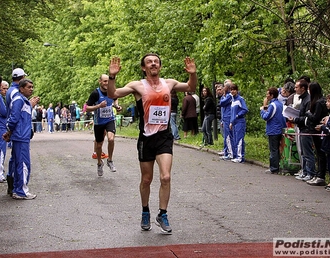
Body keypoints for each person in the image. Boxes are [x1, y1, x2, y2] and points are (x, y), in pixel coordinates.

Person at [107, 54, 197, 234]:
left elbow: (190, 87)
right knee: (147, 179)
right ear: (144, 67)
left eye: (156, 61)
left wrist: (192, 74)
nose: (153, 63)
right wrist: (112, 77)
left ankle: (162, 214)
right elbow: (113, 94)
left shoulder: (169, 83)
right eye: (149, 62)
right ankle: (145, 210)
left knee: (165, 177)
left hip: (164, 136)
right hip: (146, 138)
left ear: (160, 67)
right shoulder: (137, 86)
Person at [3, 79, 38, 199]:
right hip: (21, 136)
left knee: (19, 163)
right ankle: (21, 191)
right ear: (21, 88)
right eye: (29, 87)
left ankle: (17, 189)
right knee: (23, 164)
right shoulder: (19, 100)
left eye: (32, 87)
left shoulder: (23, 101)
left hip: (21, 135)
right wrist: (10, 131)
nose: (31, 89)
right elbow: (13, 119)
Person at [86, 74, 121, 176]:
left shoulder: (112, 90)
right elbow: (86, 108)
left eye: (108, 81)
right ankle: (99, 163)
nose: (107, 83)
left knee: (111, 139)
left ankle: (110, 160)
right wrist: (98, 106)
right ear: (100, 81)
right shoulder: (95, 93)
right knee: (99, 145)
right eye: (105, 81)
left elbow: (115, 98)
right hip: (99, 123)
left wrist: (116, 105)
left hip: (109, 120)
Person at [289, 78, 316, 181]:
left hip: (306, 129)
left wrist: (296, 119)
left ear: (303, 88)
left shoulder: (307, 100)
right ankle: (305, 171)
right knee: (303, 152)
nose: (295, 89)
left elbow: (306, 117)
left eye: (297, 87)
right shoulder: (302, 99)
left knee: (307, 152)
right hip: (301, 127)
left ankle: (310, 172)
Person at [5, 68, 27, 195]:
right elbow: (17, 111)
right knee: (19, 159)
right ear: (22, 78)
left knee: (15, 158)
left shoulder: (10, 91)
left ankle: (13, 184)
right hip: (18, 130)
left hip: (15, 128)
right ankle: (16, 186)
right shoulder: (16, 93)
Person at [305, 82, 328, 186]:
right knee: (319, 153)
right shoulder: (321, 101)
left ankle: (320, 175)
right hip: (316, 130)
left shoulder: (319, 102)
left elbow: (315, 118)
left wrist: (308, 114)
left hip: (317, 130)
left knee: (320, 153)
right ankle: (319, 174)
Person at [261, 88, 287, 174]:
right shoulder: (280, 104)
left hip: (273, 129)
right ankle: (278, 166)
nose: (266, 96)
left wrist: (262, 110)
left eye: (268, 94)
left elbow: (266, 117)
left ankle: (274, 168)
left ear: (272, 95)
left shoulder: (273, 105)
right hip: (280, 128)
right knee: (278, 148)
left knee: (273, 149)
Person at [229, 84, 248, 163]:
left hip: (240, 122)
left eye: (234, 89)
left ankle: (240, 157)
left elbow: (245, 109)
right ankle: (237, 156)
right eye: (231, 90)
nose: (232, 91)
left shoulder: (240, 99)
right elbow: (232, 113)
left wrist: (238, 115)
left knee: (239, 139)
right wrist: (231, 122)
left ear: (237, 90)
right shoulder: (232, 100)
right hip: (234, 122)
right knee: (235, 139)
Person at [219, 80, 233, 160]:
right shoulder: (226, 96)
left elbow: (222, 103)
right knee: (226, 136)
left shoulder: (229, 96)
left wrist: (223, 96)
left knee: (228, 136)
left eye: (224, 86)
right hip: (225, 117)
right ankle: (226, 150)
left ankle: (229, 153)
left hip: (228, 117)